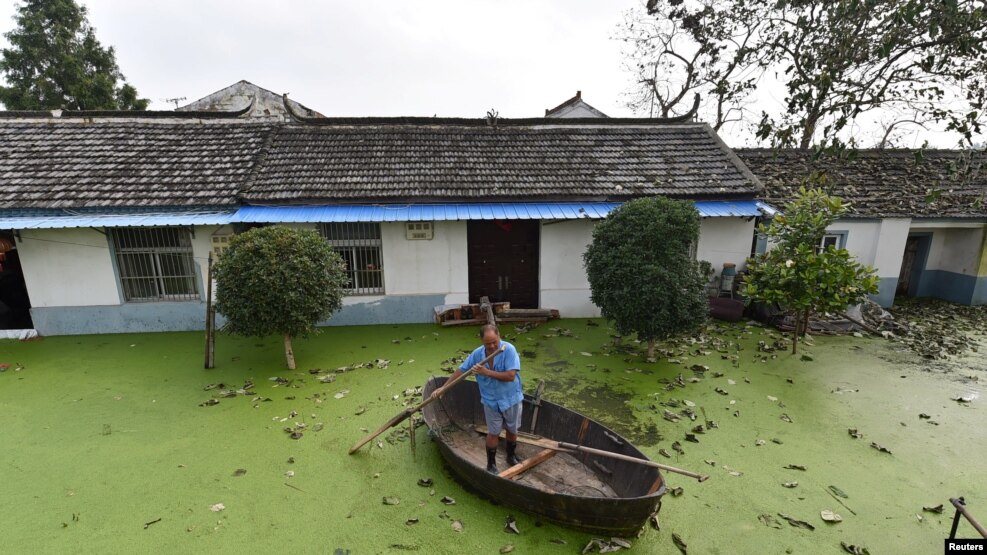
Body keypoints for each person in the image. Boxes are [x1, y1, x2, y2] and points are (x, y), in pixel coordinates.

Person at [439, 324, 524, 474]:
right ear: (481, 341)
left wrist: (486, 372)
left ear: (499, 336)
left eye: (494, 342)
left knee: (512, 429)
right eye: (487, 343)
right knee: (493, 433)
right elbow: (461, 370)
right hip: (491, 401)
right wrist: (444, 387)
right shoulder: (477, 354)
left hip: (511, 398)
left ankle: (511, 456)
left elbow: (510, 376)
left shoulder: (508, 349)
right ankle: (491, 465)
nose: (491, 346)